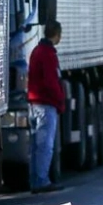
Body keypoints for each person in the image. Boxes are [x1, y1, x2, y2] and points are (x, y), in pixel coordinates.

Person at [27, 20, 65, 194]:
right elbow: (51, 82)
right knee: (46, 145)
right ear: (56, 34)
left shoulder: (36, 51)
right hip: (46, 105)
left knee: (36, 146)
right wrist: (60, 101)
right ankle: (42, 180)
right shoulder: (48, 53)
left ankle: (35, 180)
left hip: (34, 104)